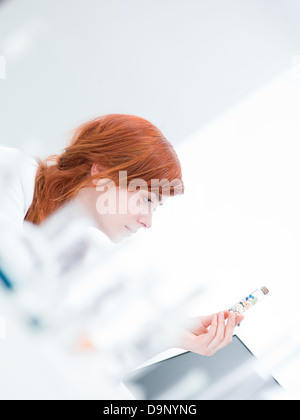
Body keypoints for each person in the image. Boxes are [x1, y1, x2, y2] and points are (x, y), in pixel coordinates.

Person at [0, 114, 243, 356]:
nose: (147, 221)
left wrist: (168, 334)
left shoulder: (73, 251)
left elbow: (64, 348)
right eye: (146, 199)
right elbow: (10, 275)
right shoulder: (10, 172)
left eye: (155, 207)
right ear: (102, 174)